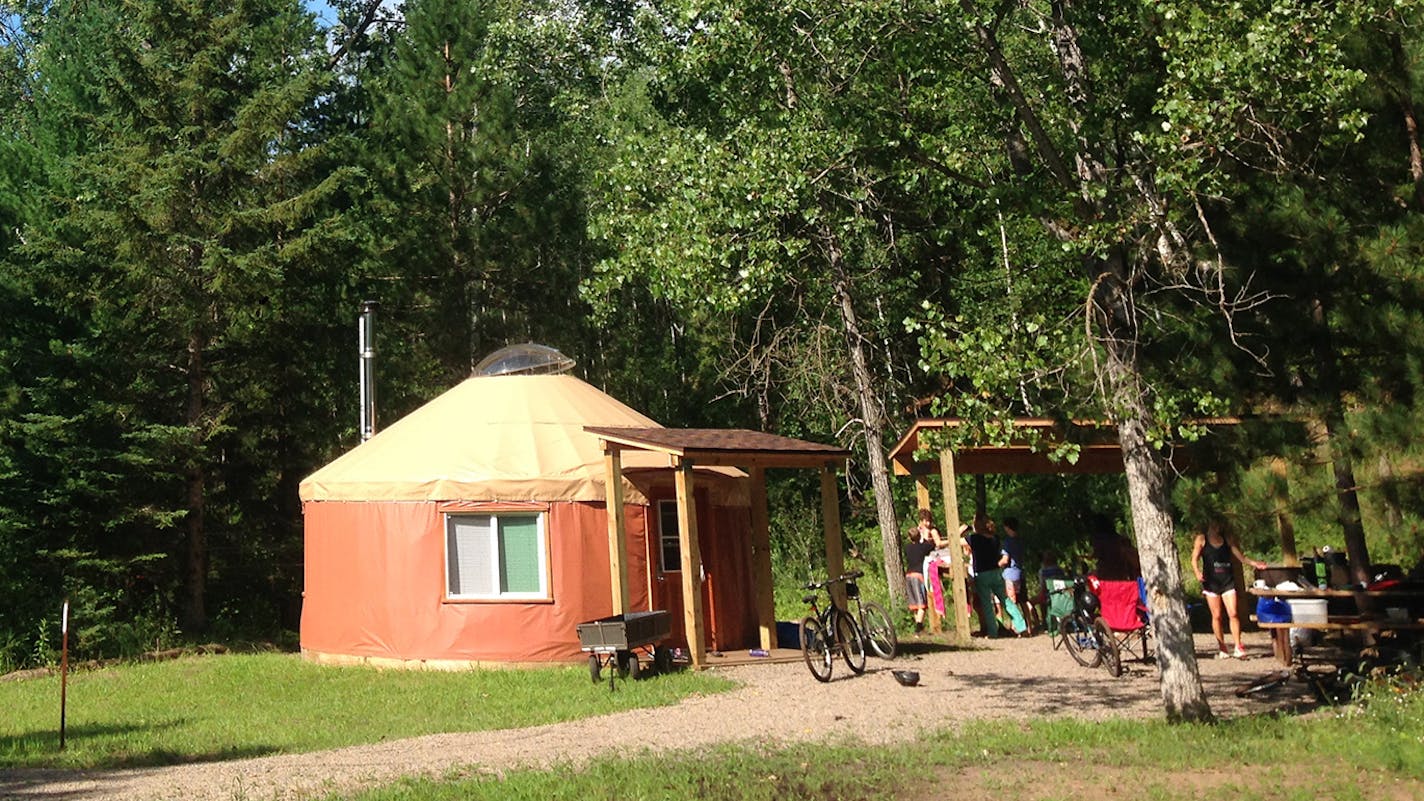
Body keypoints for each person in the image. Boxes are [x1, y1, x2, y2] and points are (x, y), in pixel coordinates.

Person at [1191, 518, 1267, 659]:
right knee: (1217, 616)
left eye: (1219, 524)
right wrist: (1197, 572)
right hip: (1211, 582)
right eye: (1215, 524)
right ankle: (1222, 647)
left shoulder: (1227, 539)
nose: (1217, 526)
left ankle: (1238, 646)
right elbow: (1194, 558)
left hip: (1227, 581)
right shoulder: (1202, 539)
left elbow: (1241, 557)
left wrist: (1254, 563)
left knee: (1233, 613)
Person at [967, 512, 1027, 637]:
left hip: (982, 574)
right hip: (996, 572)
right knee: (1006, 601)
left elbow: (957, 538)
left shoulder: (974, 538)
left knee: (987, 604)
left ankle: (993, 631)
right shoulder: (995, 538)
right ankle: (1021, 626)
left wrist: (966, 527)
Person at [1000, 517, 1037, 633]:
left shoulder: (1007, 542)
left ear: (1007, 527)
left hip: (1010, 575)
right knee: (1023, 600)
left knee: (1011, 602)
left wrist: (997, 564)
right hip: (1020, 573)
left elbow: (1005, 560)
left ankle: (1016, 627)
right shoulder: (1020, 541)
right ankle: (1030, 626)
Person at [903, 526, 935, 631]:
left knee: (914, 604)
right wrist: (925, 536)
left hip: (908, 575)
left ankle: (919, 626)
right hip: (918, 575)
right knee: (922, 604)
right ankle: (918, 626)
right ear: (919, 536)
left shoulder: (907, 548)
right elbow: (931, 546)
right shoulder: (922, 547)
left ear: (909, 537)